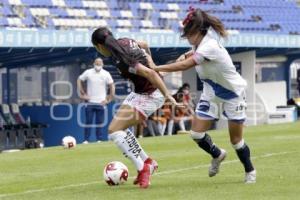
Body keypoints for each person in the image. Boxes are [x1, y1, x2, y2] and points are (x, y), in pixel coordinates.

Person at [150, 8, 256, 183]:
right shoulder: (199, 44)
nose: (187, 36)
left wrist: (157, 68)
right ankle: (217, 154)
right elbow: (188, 56)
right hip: (211, 92)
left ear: (198, 31)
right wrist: (169, 67)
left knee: (236, 140)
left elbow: (187, 65)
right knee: (196, 134)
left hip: (233, 94)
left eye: (189, 33)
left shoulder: (210, 46)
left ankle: (249, 171)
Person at [91, 27, 178, 188]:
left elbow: (151, 75)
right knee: (118, 130)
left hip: (152, 94)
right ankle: (148, 162)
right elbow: (144, 44)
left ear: (99, 46)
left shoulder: (122, 59)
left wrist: (167, 94)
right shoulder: (124, 40)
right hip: (140, 92)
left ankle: (142, 168)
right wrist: (151, 61)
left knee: (114, 131)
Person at [77, 58, 115, 144]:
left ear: (102, 64)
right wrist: (82, 93)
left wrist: (109, 99)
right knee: (88, 122)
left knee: (99, 122)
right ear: (94, 63)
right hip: (90, 102)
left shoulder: (106, 74)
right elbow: (79, 79)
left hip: (101, 103)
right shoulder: (88, 72)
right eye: (97, 64)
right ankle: (86, 140)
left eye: (99, 64)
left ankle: (99, 139)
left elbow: (112, 86)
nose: (98, 65)